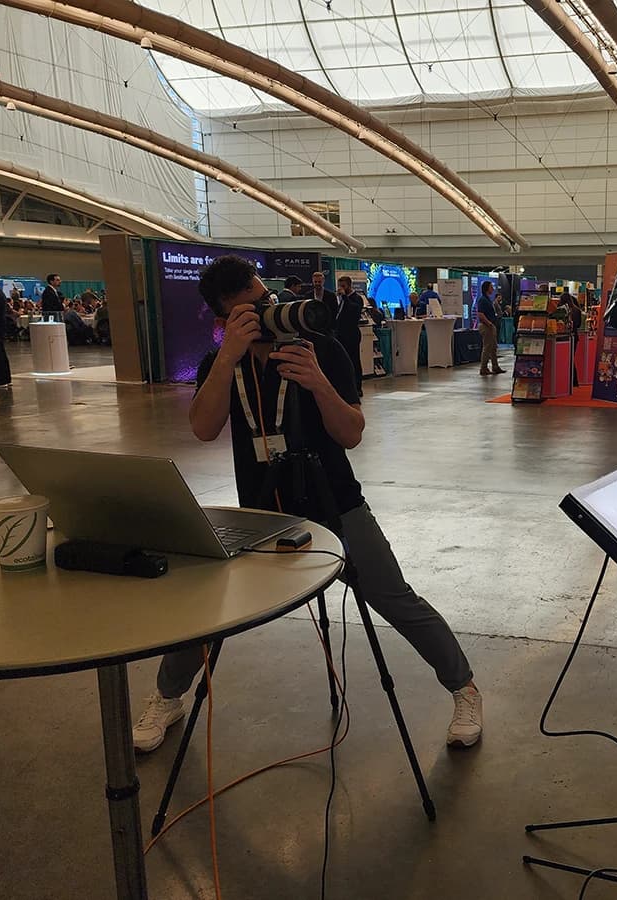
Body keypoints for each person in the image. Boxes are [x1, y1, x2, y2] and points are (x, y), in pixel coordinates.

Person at [131, 255, 483, 753]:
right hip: (259, 511)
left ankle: (463, 687)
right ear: (223, 320)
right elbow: (203, 428)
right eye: (247, 312)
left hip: (335, 502)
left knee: (394, 596)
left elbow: (352, 434)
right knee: (207, 601)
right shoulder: (220, 365)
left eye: (265, 301)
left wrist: (317, 382)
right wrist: (228, 357)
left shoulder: (321, 350)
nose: (266, 314)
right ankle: (168, 697)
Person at [329, 275, 365, 393]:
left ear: (349, 285)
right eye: (340, 286)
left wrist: (345, 297)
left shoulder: (356, 298)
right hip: (340, 333)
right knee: (342, 360)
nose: (341, 288)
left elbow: (354, 310)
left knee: (354, 360)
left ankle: (357, 386)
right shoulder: (340, 300)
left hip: (351, 334)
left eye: (343, 286)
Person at [476, 280, 503, 376]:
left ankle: (495, 366)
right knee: (487, 347)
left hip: (491, 325)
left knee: (493, 347)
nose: (493, 289)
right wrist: (489, 324)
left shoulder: (488, 299)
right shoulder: (483, 300)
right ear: (487, 288)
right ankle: (483, 368)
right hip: (487, 326)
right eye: (491, 287)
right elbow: (480, 314)